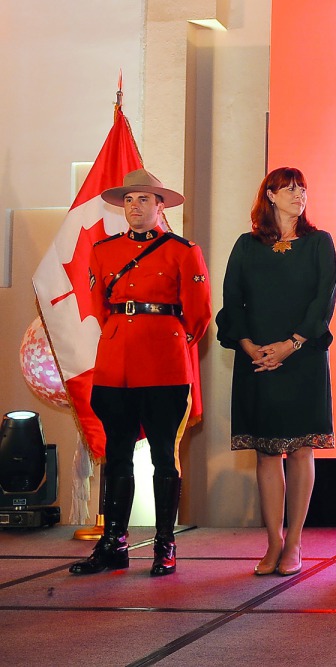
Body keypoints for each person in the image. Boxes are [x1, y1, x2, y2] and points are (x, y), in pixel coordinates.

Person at [71, 169, 212, 577]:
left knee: (164, 455)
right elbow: (100, 307)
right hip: (116, 364)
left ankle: (165, 544)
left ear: (160, 206)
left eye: (144, 199)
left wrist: (164, 338)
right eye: (129, 200)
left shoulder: (183, 251)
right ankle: (114, 543)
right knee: (117, 453)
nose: (135, 207)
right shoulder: (103, 250)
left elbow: (199, 314)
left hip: (164, 362)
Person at [216, 167, 336, 577]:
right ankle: (273, 542)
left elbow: (324, 300)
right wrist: (249, 345)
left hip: (303, 356)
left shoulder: (319, 242)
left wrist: (292, 343)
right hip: (257, 359)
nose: (298, 194)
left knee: (301, 450)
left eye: (302, 188)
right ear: (269, 195)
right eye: (288, 188)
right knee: (267, 451)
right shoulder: (246, 245)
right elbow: (232, 300)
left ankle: (296, 542)